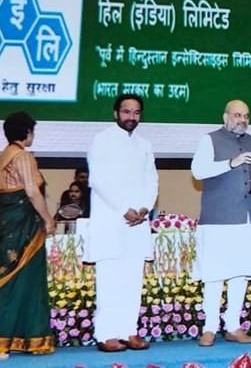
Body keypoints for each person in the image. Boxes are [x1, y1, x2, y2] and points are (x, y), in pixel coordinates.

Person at [0, 111, 55, 360]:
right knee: (8, 283)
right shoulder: (22, 156)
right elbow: (31, 191)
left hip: (10, 227)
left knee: (18, 282)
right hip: (22, 229)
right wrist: (48, 219)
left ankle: (4, 341)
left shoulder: (4, 156)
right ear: (27, 132)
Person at [84, 94, 158, 352]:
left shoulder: (144, 144)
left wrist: (145, 207)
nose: (131, 117)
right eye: (126, 112)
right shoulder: (101, 140)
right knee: (110, 281)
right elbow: (98, 180)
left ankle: (129, 331)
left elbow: (152, 180)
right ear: (116, 113)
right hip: (111, 222)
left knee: (132, 281)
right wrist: (122, 209)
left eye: (136, 112)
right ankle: (105, 334)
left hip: (138, 223)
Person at [190, 100, 251, 347]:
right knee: (214, 273)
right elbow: (198, 171)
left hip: (247, 216)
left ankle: (233, 325)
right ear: (225, 117)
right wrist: (230, 163)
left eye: (246, 115)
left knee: (240, 273)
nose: (242, 119)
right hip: (218, 218)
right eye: (237, 115)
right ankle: (210, 327)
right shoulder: (209, 139)